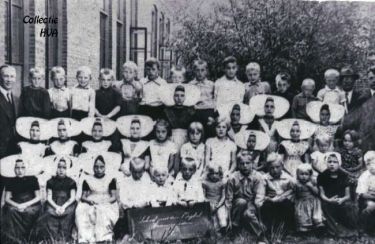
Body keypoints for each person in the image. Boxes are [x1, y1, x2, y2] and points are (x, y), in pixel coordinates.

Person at [75, 155, 119, 243]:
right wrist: (89, 201)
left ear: (105, 167)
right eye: (96, 167)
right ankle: (86, 237)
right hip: (91, 200)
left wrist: (104, 202)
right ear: (93, 168)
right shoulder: (87, 179)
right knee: (82, 209)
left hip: (106, 200)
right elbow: (83, 196)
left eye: (101, 167)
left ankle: (103, 237)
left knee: (101, 210)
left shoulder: (110, 179)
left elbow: (114, 197)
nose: (99, 170)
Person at [225, 153, 266, 244]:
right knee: (241, 202)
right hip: (237, 206)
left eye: (247, 163)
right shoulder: (233, 178)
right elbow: (228, 200)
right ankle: (235, 229)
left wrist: (260, 220)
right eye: (242, 163)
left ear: (252, 163)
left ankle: (261, 235)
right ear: (238, 165)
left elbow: (259, 199)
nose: (245, 166)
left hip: (252, 204)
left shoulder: (258, 177)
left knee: (248, 213)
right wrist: (229, 221)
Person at [317, 152, 358, 237]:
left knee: (348, 206)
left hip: (341, 199)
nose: (332, 164)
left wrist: (342, 199)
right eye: (330, 162)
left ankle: (350, 228)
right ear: (326, 163)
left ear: (339, 163)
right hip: (327, 200)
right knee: (325, 206)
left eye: (335, 162)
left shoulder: (344, 176)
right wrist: (329, 200)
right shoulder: (322, 176)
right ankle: (335, 230)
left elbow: (348, 195)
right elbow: (322, 194)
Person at [36, 157, 77, 242]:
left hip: (67, 203)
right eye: (59, 167)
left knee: (69, 212)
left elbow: (72, 197)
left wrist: (64, 207)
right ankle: (51, 237)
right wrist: (56, 207)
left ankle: (64, 238)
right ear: (56, 168)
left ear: (67, 169)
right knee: (49, 211)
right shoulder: (50, 181)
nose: (61, 170)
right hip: (53, 203)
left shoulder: (71, 182)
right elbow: (49, 198)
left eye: (64, 167)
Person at [1, 159, 42, 243]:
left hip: (31, 203)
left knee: (29, 212)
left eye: (22, 167)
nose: (20, 170)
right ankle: (14, 239)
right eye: (17, 168)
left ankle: (29, 238)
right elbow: (7, 198)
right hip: (16, 202)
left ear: (26, 169)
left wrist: (25, 205)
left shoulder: (33, 179)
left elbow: (38, 197)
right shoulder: (11, 181)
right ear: (14, 169)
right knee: (10, 211)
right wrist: (17, 205)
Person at [261, 153, 295, 237]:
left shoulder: (288, 178)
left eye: (277, 167)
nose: (275, 170)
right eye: (272, 168)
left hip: (283, 201)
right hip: (270, 200)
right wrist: (267, 198)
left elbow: (293, 190)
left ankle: (285, 229)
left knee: (287, 206)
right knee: (266, 206)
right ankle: (269, 229)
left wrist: (284, 196)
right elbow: (260, 193)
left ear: (282, 166)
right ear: (268, 168)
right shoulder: (264, 178)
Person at [162, 85, 196, 149]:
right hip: (170, 138)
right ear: (173, 97)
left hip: (186, 138)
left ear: (185, 97)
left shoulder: (191, 110)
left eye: (182, 96)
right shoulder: (167, 110)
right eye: (176, 95)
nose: (179, 98)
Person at [294, 164, 324, 234]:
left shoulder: (312, 182)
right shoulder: (296, 183)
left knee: (315, 214)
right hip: (302, 201)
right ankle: (304, 228)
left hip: (313, 201)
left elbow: (317, 193)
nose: (304, 176)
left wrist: (311, 187)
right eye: (301, 174)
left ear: (310, 175)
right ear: (297, 175)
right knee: (303, 215)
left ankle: (318, 226)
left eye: (306, 174)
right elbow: (296, 193)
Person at [337, 129, 364, 198]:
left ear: (355, 142)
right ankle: (344, 195)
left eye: (350, 141)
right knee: (343, 179)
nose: (347, 143)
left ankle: (356, 197)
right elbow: (339, 164)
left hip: (355, 171)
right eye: (345, 141)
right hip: (344, 170)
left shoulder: (358, 151)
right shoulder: (342, 151)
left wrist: (353, 169)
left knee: (356, 180)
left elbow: (361, 164)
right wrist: (345, 171)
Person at [189, 59, 215, 128]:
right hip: (195, 112)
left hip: (208, 111)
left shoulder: (211, 84)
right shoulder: (190, 85)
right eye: (197, 70)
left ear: (206, 71)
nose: (200, 73)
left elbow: (215, 99)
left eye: (202, 70)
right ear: (194, 71)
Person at [202, 164, 227, 233]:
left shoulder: (222, 183)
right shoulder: (205, 183)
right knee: (210, 216)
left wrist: (218, 205)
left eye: (216, 173)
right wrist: (209, 203)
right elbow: (203, 196)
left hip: (219, 203)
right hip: (209, 203)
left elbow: (223, 196)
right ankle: (212, 230)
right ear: (208, 174)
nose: (214, 176)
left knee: (221, 214)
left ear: (220, 174)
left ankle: (223, 228)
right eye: (212, 173)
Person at [0, 65, 18, 158]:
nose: (9, 80)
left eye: (12, 76)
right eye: (6, 76)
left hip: (13, 149)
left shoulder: (17, 99)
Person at [357, 151, 375, 234]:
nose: (372, 167)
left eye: (374, 163)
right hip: (367, 198)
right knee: (371, 206)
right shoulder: (364, 176)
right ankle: (362, 226)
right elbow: (362, 194)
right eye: (368, 164)